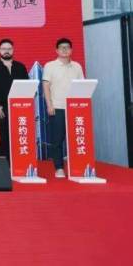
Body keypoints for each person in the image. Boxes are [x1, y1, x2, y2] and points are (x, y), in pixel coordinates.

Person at [43, 37, 85, 178]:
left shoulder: (77, 66)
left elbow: (82, 85)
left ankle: (78, 166)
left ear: (71, 50)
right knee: (57, 139)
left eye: (67, 47)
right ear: (57, 50)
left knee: (76, 137)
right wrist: (49, 104)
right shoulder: (50, 66)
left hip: (75, 107)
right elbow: (46, 86)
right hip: (57, 106)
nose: (65, 50)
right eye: (62, 47)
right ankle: (59, 167)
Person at [0, 38, 29, 160]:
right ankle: (5, 162)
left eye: (9, 49)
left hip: (20, 108)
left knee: (20, 134)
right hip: (2, 108)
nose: (6, 51)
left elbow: (27, 85)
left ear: (13, 50)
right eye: (4, 49)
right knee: (4, 135)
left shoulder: (20, 67)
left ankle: (19, 160)